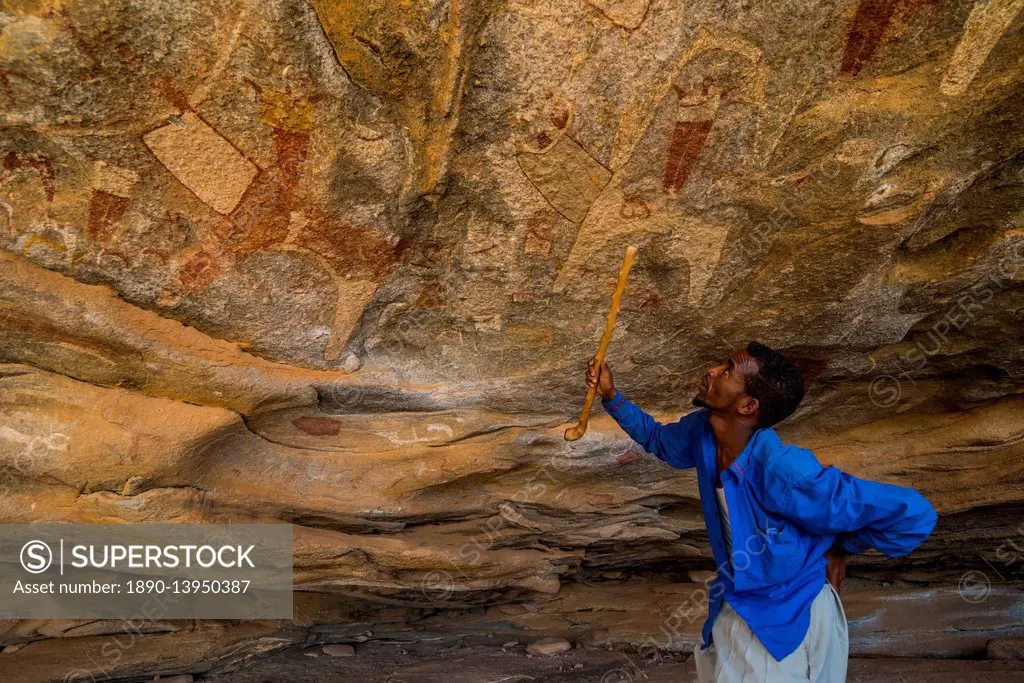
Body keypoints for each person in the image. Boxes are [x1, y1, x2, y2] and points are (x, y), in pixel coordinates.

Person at [586, 342, 937, 682]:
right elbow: (660, 441)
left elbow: (915, 514)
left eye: (727, 370)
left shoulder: (785, 471)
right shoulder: (703, 432)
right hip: (737, 604)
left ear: (747, 405)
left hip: (792, 622)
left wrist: (842, 547)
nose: (712, 371)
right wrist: (611, 397)